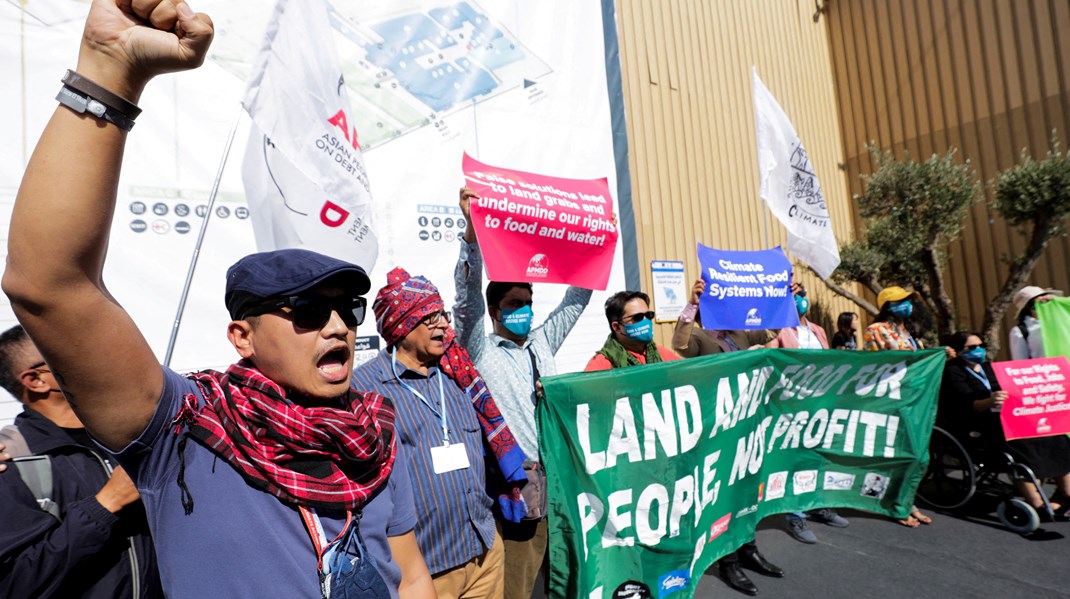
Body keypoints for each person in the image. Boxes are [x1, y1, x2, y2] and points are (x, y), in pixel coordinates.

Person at [1, 2, 433, 597]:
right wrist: (108, 75)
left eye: (346, 309)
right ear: (242, 336)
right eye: (307, 311)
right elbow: (48, 285)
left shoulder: (373, 433)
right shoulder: (183, 428)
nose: (336, 325)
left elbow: (409, 576)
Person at [352, 267, 530, 598]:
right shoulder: (365, 389)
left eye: (442, 314)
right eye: (430, 318)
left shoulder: (458, 373)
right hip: (425, 569)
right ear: (401, 325)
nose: (444, 325)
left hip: (485, 554)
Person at [454, 186, 594, 598]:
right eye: (516, 304)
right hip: (518, 485)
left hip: (562, 479)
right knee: (517, 584)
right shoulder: (479, 349)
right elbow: (466, 301)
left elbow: (576, 299)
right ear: (496, 311)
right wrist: (470, 235)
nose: (525, 311)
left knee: (565, 576)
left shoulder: (542, 341)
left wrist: (594, 242)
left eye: (529, 303)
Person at [0, 326, 163, 598]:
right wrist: (105, 504)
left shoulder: (135, 436)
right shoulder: (13, 460)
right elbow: (16, 584)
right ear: (37, 379)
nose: (97, 354)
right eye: (75, 348)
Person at [671, 278, 783, 596]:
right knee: (724, 493)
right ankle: (728, 561)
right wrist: (692, 304)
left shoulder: (742, 332)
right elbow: (679, 345)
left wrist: (781, 297)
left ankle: (749, 549)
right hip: (721, 426)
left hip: (749, 420)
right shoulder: (699, 337)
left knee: (748, 488)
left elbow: (773, 330)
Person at [939, 331, 1070, 519]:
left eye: (981, 346)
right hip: (975, 424)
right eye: (972, 348)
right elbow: (967, 405)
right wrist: (989, 401)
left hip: (1004, 417)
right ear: (959, 351)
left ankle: (1066, 494)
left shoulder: (989, 368)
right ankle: (1038, 503)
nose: (979, 350)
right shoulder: (953, 371)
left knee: (1055, 435)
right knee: (1022, 445)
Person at [767, 287, 850, 543]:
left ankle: (817, 504)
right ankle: (795, 515)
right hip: (790, 405)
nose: (799, 299)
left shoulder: (818, 330)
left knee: (815, 456)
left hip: (819, 403)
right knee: (792, 460)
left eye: (802, 293)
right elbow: (768, 357)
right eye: (792, 295)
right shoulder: (779, 329)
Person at [863, 286, 933, 527]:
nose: (907, 305)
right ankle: (893, 504)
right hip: (893, 400)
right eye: (900, 301)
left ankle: (906, 501)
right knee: (897, 455)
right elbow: (875, 366)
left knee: (917, 455)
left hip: (916, 401)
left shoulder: (912, 332)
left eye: (908, 300)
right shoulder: (876, 330)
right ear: (888, 306)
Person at [585, 291, 680, 370]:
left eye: (648, 315)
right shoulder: (602, 365)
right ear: (617, 327)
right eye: (637, 317)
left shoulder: (661, 355)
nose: (645, 321)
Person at [1008, 286, 1063, 360]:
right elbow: (1020, 362)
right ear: (1028, 308)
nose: (1043, 304)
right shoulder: (1020, 331)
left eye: (1046, 301)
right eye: (1034, 303)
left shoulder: (1062, 320)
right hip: (1046, 370)